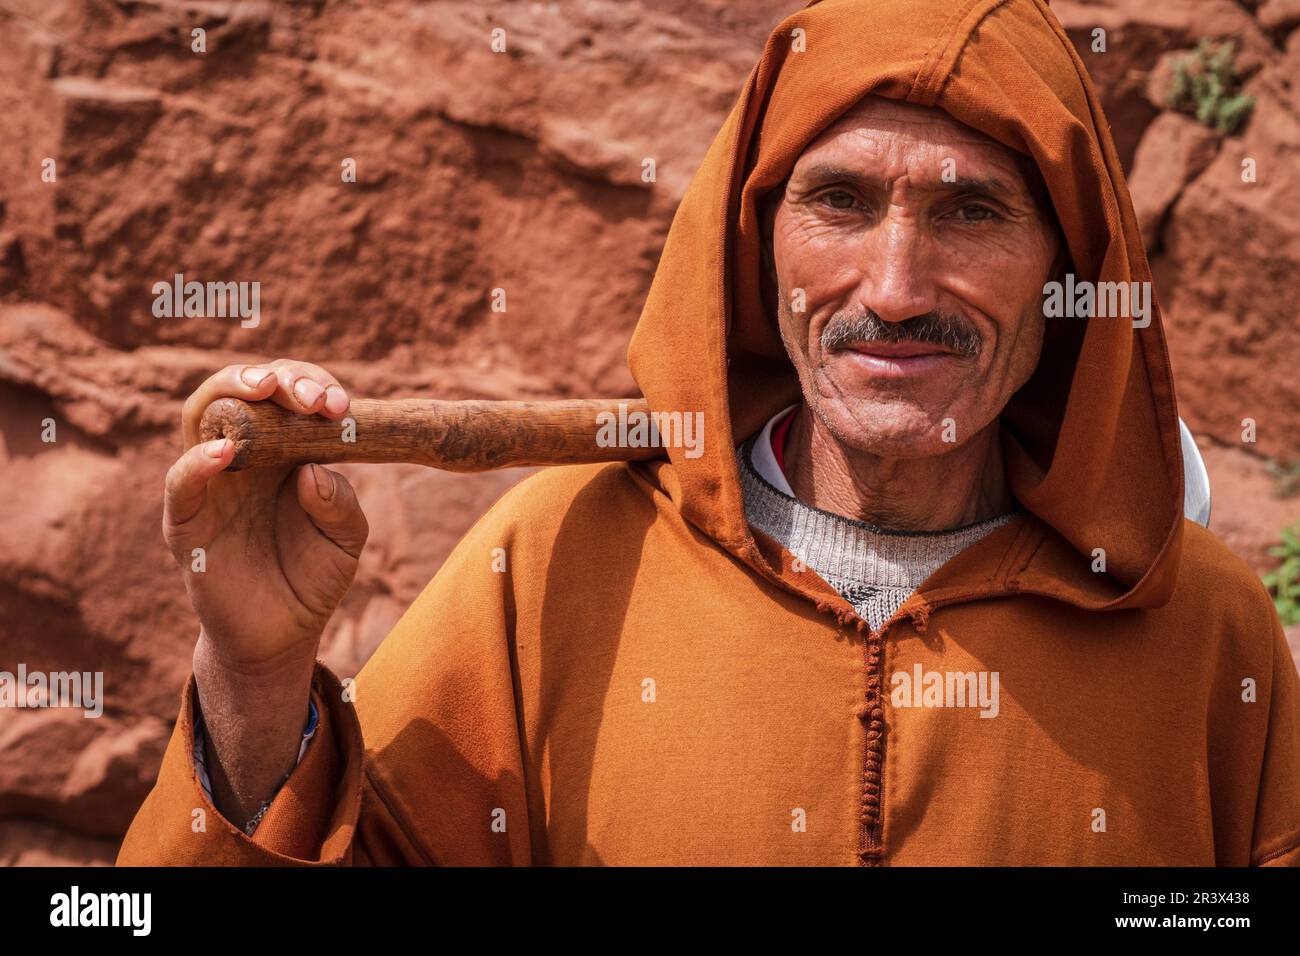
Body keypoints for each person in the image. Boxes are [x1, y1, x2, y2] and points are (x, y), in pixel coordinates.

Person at [118, 0, 1299, 866]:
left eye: (971, 211)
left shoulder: (1198, 628)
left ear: (1066, 268)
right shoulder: (560, 562)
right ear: (755, 243)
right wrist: (257, 680)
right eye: (837, 200)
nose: (893, 286)